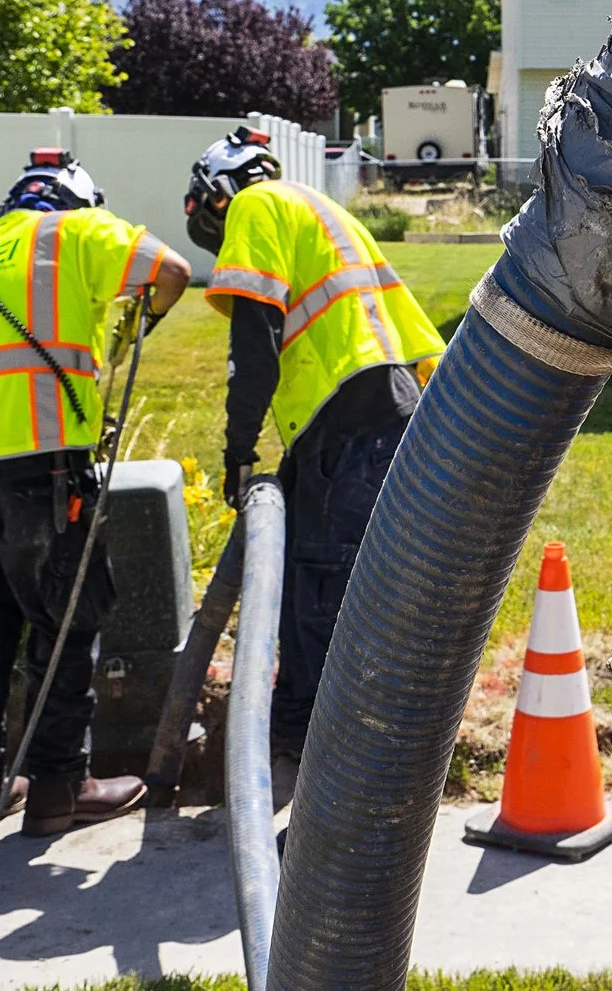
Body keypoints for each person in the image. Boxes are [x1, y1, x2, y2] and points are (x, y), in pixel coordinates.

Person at [0, 148, 191, 840]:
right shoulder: (77, 230)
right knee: (64, 619)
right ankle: (58, 787)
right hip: (41, 466)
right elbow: (171, 272)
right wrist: (137, 325)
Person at [183, 126, 445, 769]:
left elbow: (256, 339)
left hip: (348, 423)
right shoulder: (325, 211)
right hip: (388, 410)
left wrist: (238, 451)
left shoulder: (255, 205)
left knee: (324, 590)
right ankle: (317, 732)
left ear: (217, 193)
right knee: (339, 582)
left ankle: (321, 753)